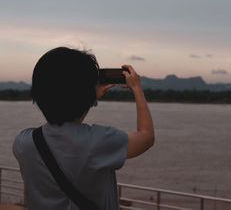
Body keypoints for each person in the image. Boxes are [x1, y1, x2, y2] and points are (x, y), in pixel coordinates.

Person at [13, 47, 155, 210]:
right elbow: (147, 136)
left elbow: (66, 123)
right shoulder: (100, 141)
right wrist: (137, 88)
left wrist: (89, 95)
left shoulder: (23, 142)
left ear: (37, 93)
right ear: (88, 95)